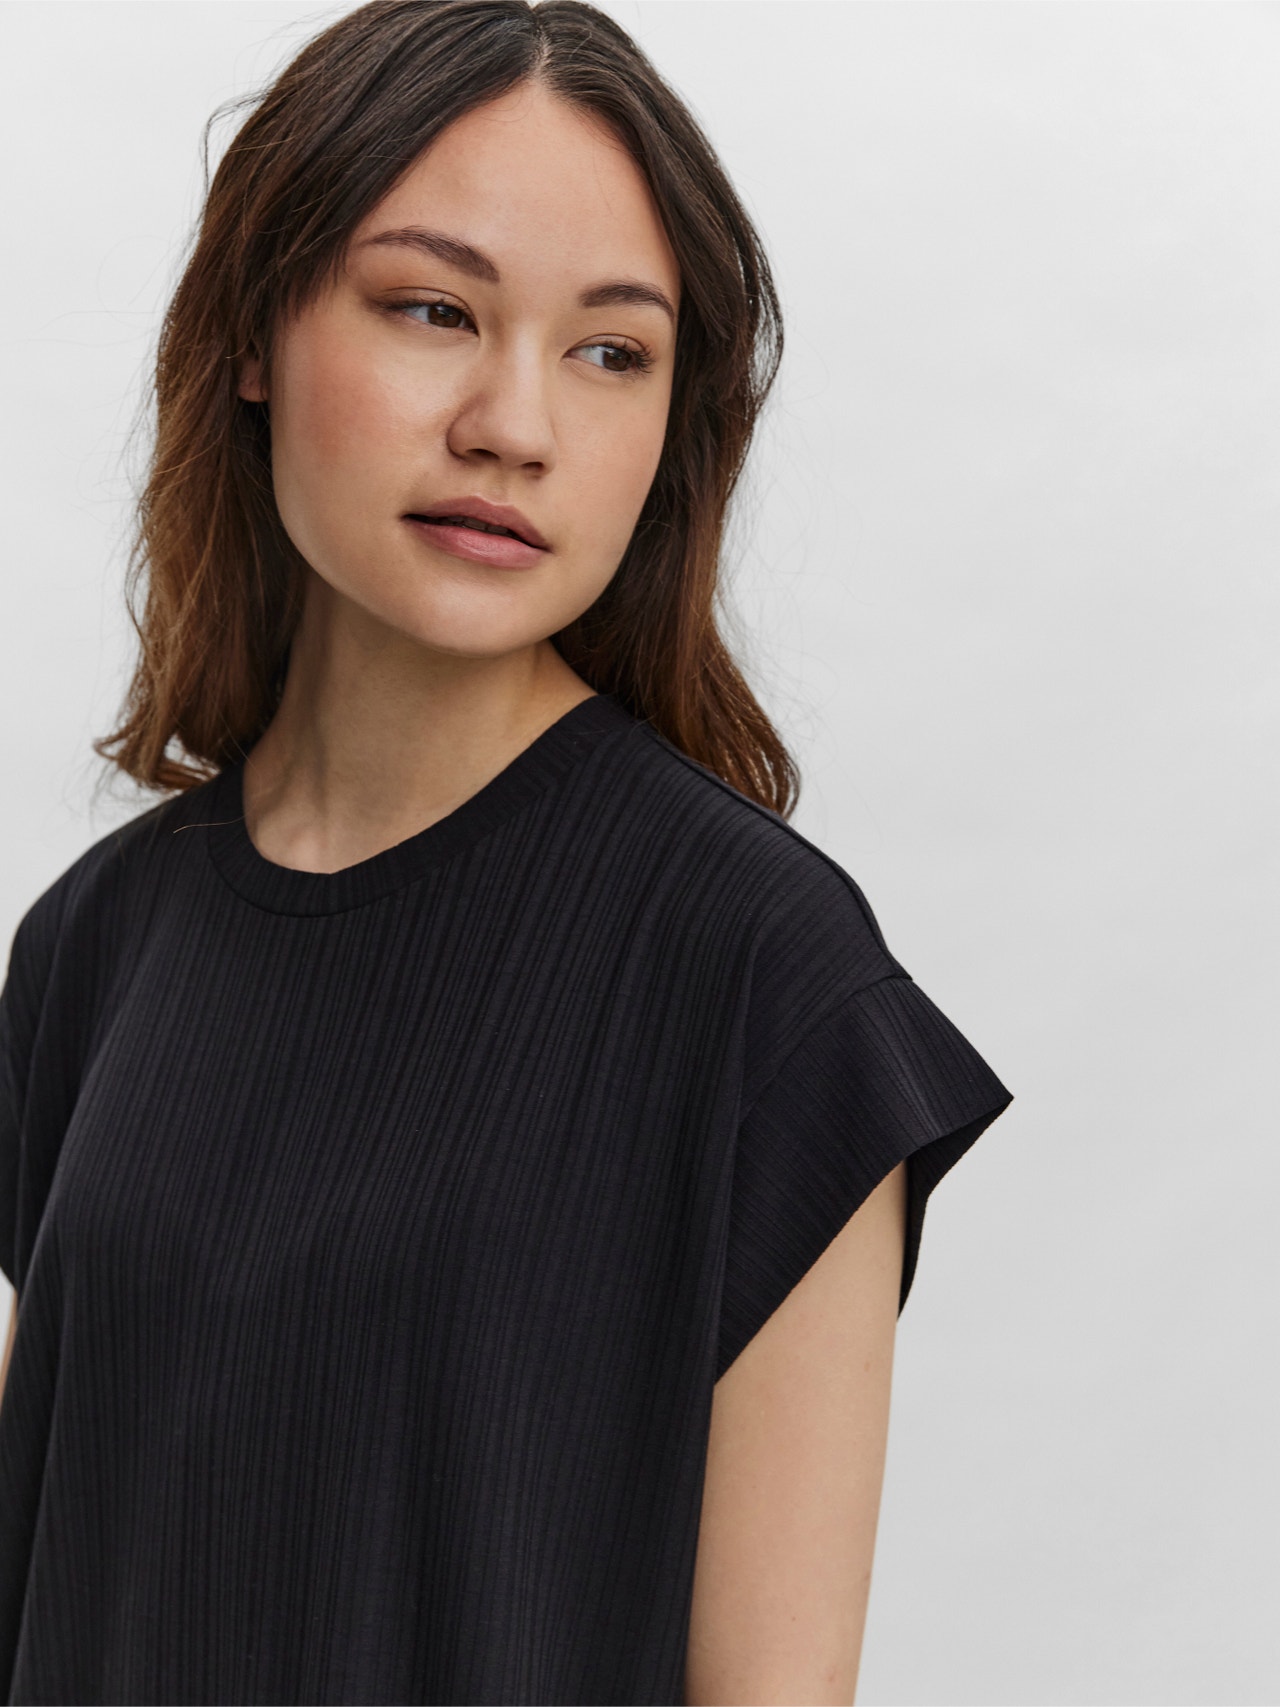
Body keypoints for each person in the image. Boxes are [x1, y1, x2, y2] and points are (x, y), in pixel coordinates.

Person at [0, 2, 1013, 1702]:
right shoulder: (93, 947)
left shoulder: (761, 980)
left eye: (611, 352)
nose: (513, 424)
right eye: (432, 310)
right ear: (253, 332)